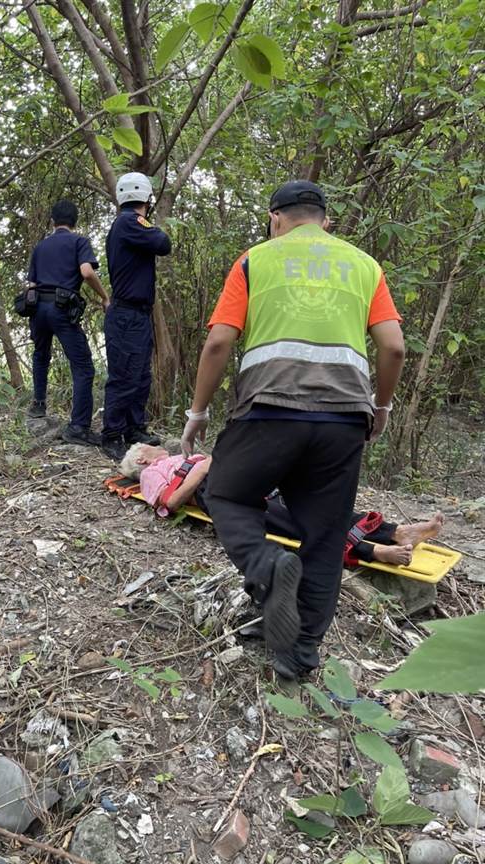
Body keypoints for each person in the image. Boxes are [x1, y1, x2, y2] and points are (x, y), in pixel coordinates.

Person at [180, 180, 405, 680]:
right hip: (345, 419)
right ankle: (299, 654)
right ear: (325, 221)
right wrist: (381, 406)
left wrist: (197, 414)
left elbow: (219, 343)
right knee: (324, 537)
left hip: (268, 411)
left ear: (274, 218)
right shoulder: (365, 266)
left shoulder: (255, 260)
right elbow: (393, 348)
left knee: (227, 494)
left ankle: (266, 569)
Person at [119, 443, 444, 568]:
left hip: (235, 477)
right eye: (149, 445)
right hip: (220, 492)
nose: (156, 444)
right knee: (295, 524)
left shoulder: (175, 458)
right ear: (143, 457)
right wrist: (204, 467)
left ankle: (397, 531)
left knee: (311, 504)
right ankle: (372, 552)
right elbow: (171, 502)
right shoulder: (150, 474)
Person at [27, 199, 110, 446]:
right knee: (83, 366)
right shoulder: (78, 242)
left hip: (37, 306)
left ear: (53, 221)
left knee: (41, 355)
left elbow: (31, 284)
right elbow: (86, 272)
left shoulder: (41, 247)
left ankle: (38, 405)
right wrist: (105, 296)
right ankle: (79, 427)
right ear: (75, 221)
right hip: (61, 308)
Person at [101, 173, 172, 462]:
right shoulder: (129, 221)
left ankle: (133, 428)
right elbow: (163, 243)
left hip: (136, 314)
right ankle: (111, 434)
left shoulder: (124, 224)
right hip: (127, 314)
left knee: (140, 375)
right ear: (145, 197)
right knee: (125, 375)